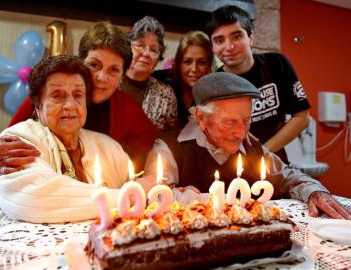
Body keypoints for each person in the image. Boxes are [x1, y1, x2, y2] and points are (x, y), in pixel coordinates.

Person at [145, 72, 351, 219]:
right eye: (230, 122)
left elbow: (289, 177)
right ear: (201, 118)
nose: (242, 133)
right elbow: (153, 198)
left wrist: (315, 192)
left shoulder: (252, 147)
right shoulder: (170, 150)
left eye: (246, 121)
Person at [0, 22, 157, 176]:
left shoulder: (125, 106)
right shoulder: (45, 100)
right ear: (81, 64)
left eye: (114, 70)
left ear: (122, 76)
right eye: (94, 65)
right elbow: (1, 148)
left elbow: (149, 141)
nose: (102, 77)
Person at [0, 55, 130, 223]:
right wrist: (129, 197)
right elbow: (36, 200)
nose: (70, 105)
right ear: (38, 104)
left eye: (78, 95)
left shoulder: (108, 146)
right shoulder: (18, 139)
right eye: (57, 95)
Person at [205, 5, 311, 163]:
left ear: (251, 38)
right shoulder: (211, 85)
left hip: (273, 164)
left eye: (236, 36)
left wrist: (262, 152)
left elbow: (302, 117)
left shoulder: (277, 64)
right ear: (213, 47)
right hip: (230, 169)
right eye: (220, 40)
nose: (229, 46)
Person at [120, 16, 178, 131]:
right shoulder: (110, 82)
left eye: (153, 50)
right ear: (128, 48)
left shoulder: (165, 94)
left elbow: (172, 134)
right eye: (140, 46)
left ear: (158, 58)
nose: (146, 53)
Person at [154, 31, 214, 128]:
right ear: (178, 63)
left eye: (202, 63)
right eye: (187, 62)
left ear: (209, 66)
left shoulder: (214, 92)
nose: (194, 69)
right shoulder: (161, 79)